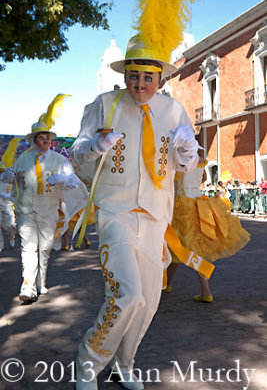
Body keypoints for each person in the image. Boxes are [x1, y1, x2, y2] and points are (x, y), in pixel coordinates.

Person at [70, 32, 200, 390]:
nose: (140, 84)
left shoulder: (173, 110)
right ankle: (87, 363)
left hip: (156, 216)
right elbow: (79, 151)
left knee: (148, 301)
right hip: (116, 212)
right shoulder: (105, 104)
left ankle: (125, 365)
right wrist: (96, 145)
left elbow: (185, 161)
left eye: (148, 77)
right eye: (133, 75)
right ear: (124, 73)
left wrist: (188, 150)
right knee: (127, 294)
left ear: (160, 78)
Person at [2, 94, 80, 303]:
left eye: (48, 138)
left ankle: (41, 281)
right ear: (35, 139)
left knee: (44, 247)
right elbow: (12, 178)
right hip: (26, 210)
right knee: (28, 247)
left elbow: (73, 181)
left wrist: (62, 178)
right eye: (42, 137)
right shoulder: (23, 158)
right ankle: (27, 286)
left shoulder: (59, 159)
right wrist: (7, 176)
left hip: (48, 210)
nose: (46, 141)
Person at [166, 155, 250, 301]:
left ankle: (206, 291)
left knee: (185, 248)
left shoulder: (179, 158)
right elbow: (203, 178)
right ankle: (167, 284)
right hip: (200, 206)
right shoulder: (200, 157)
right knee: (178, 248)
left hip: (182, 209)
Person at [0, 138, 20, 252]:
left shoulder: (8, 176)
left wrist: (8, 175)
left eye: (2, 170)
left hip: (7, 204)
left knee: (11, 224)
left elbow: (11, 180)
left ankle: (12, 237)